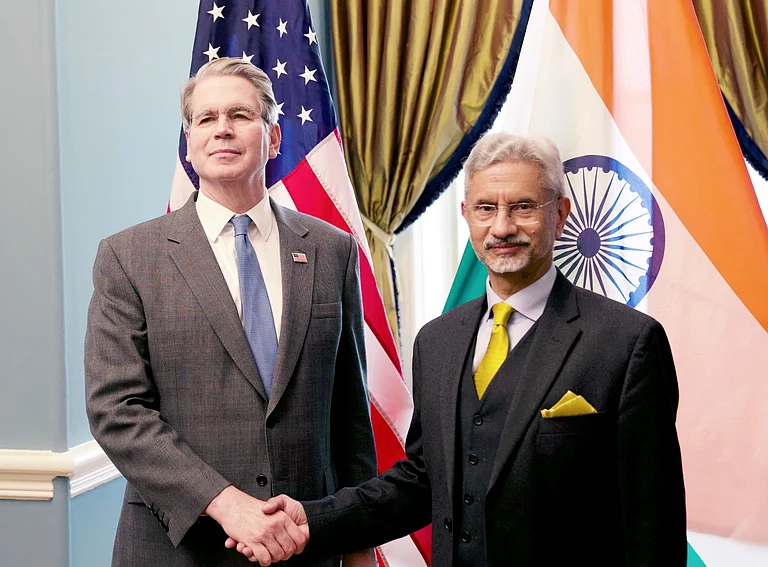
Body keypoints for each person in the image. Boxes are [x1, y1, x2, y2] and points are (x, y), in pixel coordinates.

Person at [238, 132, 687, 566]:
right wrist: (314, 520)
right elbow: (422, 481)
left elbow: (654, 528)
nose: (502, 227)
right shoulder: (437, 341)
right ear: (466, 214)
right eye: (486, 208)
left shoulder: (628, 343)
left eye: (523, 207)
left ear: (561, 214)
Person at [84, 57, 377, 567]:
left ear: (274, 137)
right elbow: (116, 410)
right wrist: (226, 504)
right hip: (178, 550)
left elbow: (349, 413)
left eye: (240, 115)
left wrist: (359, 545)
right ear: (189, 142)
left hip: (303, 546)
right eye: (205, 118)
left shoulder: (332, 249)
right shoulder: (128, 257)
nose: (222, 129)